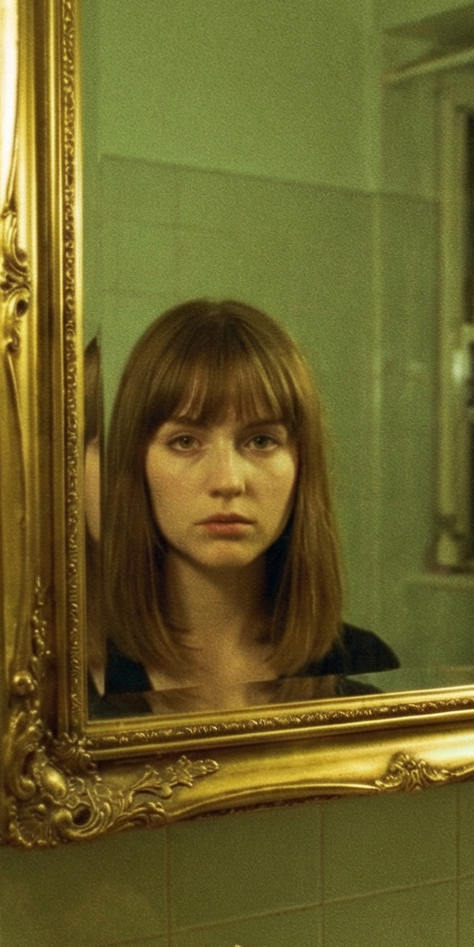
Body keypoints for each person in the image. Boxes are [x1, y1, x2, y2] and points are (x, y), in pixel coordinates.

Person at [95, 299, 396, 706]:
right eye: (185, 441)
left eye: (261, 441)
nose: (228, 481)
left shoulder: (361, 665)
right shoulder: (75, 681)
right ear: (137, 462)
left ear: (302, 464)